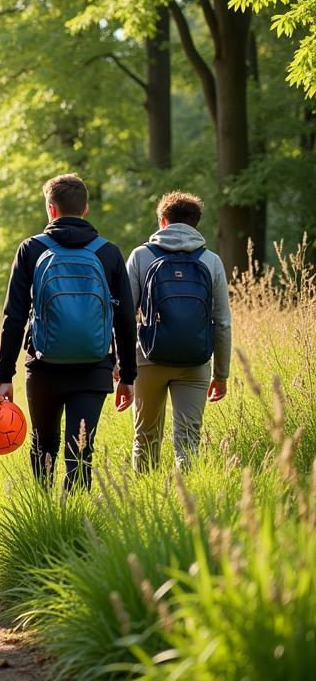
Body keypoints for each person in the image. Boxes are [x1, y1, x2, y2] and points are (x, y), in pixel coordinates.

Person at [0, 173, 136, 491]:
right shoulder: (108, 253)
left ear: (51, 209)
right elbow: (125, 318)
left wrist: (5, 375)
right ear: (85, 208)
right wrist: (127, 375)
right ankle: (76, 531)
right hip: (94, 367)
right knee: (81, 453)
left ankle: (44, 517)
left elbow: (13, 316)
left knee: (43, 448)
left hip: (44, 368)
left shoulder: (31, 249)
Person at [126, 191, 231, 471]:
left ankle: (144, 504)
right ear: (196, 223)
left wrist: (120, 364)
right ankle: (189, 507)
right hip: (195, 363)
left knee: (145, 437)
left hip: (148, 359)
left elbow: (123, 315)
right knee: (188, 441)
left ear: (163, 221)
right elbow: (222, 322)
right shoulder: (212, 261)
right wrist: (221, 374)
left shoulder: (140, 256)